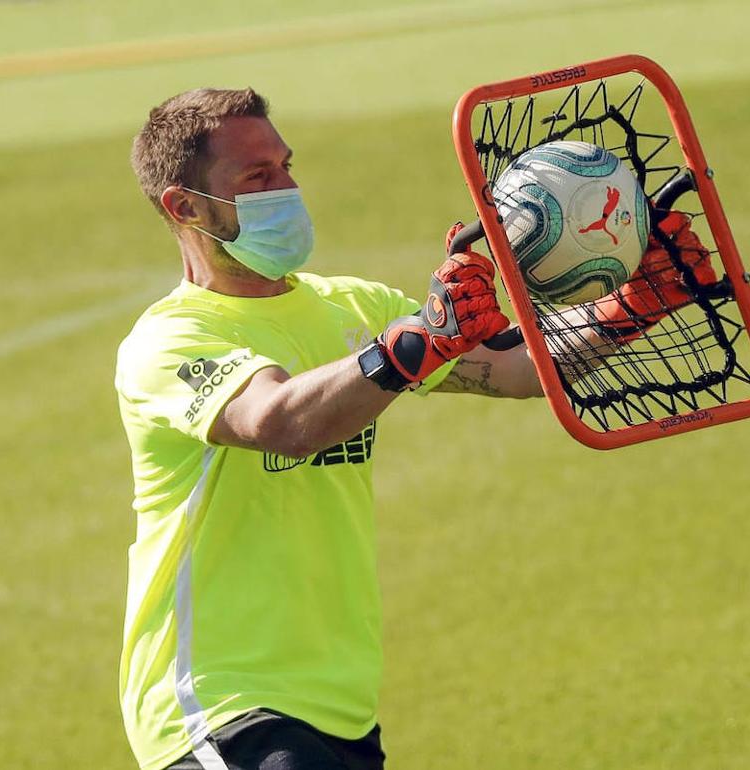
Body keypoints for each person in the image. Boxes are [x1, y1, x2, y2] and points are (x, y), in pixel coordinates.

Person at [115, 87, 713, 770]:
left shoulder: (352, 305)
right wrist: (411, 347)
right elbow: (279, 420)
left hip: (339, 706)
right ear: (184, 206)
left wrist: (636, 304)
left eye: (286, 166)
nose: (287, 187)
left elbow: (515, 368)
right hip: (218, 709)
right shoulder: (168, 342)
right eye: (258, 178)